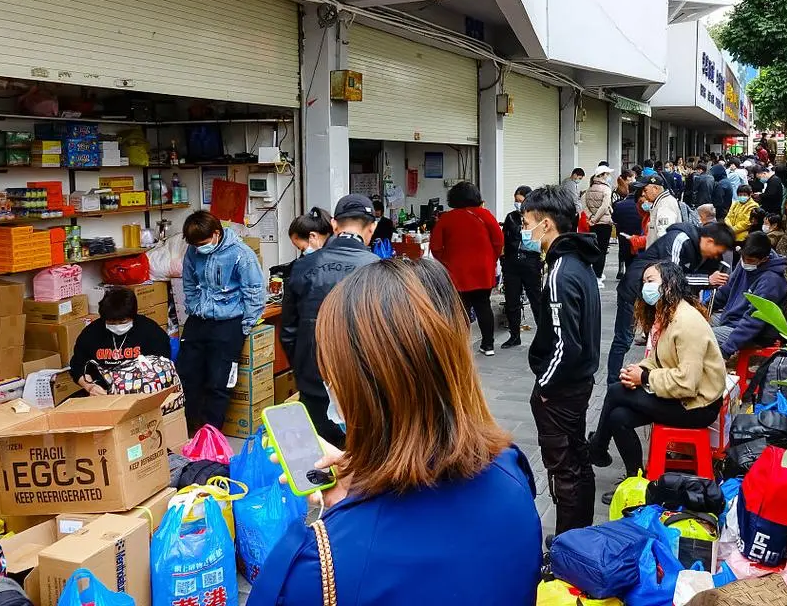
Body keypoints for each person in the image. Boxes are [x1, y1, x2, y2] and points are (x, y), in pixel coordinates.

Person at [249, 261, 542, 606]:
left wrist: (344, 520)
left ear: (357, 388)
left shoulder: (318, 565)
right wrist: (361, 489)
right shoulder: (513, 472)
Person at [589, 262, 725, 490]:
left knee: (615, 392)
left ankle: (597, 448)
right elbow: (659, 360)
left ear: (670, 284)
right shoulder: (668, 315)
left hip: (698, 406)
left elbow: (687, 383)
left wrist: (644, 378)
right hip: (679, 397)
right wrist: (638, 370)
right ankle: (635, 480)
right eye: (644, 283)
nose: (646, 288)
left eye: (651, 281)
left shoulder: (686, 322)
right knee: (619, 417)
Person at [521, 185, 601, 535]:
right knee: (577, 461)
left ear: (547, 224)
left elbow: (565, 345)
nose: (524, 231)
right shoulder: (577, 264)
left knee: (564, 469)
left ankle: (569, 541)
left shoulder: (560, 273)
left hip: (563, 390)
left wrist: (544, 386)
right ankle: (578, 535)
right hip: (578, 384)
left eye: (527, 223)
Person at [282, 196, 380, 448]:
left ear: (335, 225)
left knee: (319, 455)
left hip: (313, 376)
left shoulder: (303, 266)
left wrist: (303, 367)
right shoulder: (379, 270)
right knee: (361, 455)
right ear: (372, 227)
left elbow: (288, 331)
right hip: (362, 381)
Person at [607, 221, 734, 387]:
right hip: (636, 290)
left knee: (659, 340)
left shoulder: (702, 254)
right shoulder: (679, 239)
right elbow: (671, 277)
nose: (717, 256)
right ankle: (613, 382)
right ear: (710, 241)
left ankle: (650, 380)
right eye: (718, 252)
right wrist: (708, 279)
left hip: (660, 299)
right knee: (624, 338)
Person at [179, 210, 265, 430]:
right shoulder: (193, 251)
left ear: (216, 233)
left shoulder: (241, 254)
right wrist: (194, 306)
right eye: (195, 244)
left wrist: (245, 325)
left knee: (219, 382)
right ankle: (188, 430)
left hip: (229, 323)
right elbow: (188, 282)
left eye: (203, 242)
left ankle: (211, 434)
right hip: (198, 320)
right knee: (188, 376)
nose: (200, 247)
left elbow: (254, 291)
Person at [431, 181, 504, 356]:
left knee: (460, 309)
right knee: (483, 306)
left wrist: (446, 262)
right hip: (482, 270)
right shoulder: (485, 215)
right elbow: (499, 241)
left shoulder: (446, 218)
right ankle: (488, 345)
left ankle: (460, 346)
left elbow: (435, 247)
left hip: (456, 272)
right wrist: (490, 259)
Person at [71, 287, 172, 394]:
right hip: (102, 392)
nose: (117, 326)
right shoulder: (91, 333)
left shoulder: (150, 331)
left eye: (123, 321)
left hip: (143, 388)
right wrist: (90, 386)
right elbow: (77, 366)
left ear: (133, 316)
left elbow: (163, 365)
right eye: (111, 323)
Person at [709, 231, 787, 358]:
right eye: (743, 258)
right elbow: (728, 288)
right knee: (694, 320)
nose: (745, 262)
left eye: (750, 260)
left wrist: (727, 348)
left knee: (699, 336)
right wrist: (705, 307)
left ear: (764, 259)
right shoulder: (745, 262)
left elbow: (753, 321)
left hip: (754, 333)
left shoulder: (771, 281)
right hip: (732, 318)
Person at [500, 186, 542, 349]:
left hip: (531, 263)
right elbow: (505, 239)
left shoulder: (537, 217)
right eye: (516, 201)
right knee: (512, 302)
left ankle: (543, 336)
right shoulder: (511, 217)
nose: (517, 204)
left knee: (536, 301)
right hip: (512, 264)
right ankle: (514, 335)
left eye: (520, 200)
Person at [583, 165, 616, 286]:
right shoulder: (606, 189)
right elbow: (605, 206)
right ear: (603, 175)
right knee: (602, 250)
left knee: (594, 248)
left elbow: (584, 204)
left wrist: (591, 218)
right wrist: (596, 218)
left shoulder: (590, 188)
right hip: (604, 223)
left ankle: (594, 274)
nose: (609, 177)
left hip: (593, 223)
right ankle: (597, 276)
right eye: (607, 174)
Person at [637, 173, 682, 247]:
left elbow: (664, 236)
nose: (643, 194)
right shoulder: (662, 202)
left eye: (645, 190)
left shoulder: (665, 205)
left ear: (655, 189)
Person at [612, 180, 644, 280]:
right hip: (639, 235)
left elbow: (615, 219)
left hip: (623, 234)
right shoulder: (642, 205)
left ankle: (623, 270)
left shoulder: (619, 205)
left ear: (628, 190)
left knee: (624, 253)